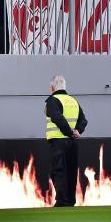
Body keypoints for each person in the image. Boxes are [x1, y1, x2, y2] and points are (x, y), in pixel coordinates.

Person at [45, 75, 88, 207]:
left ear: (52, 87)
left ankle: (62, 202)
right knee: (71, 171)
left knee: (59, 171)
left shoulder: (52, 100)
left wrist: (69, 132)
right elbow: (83, 120)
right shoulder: (73, 101)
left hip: (58, 141)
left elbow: (57, 118)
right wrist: (77, 131)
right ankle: (70, 201)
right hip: (73, 143)